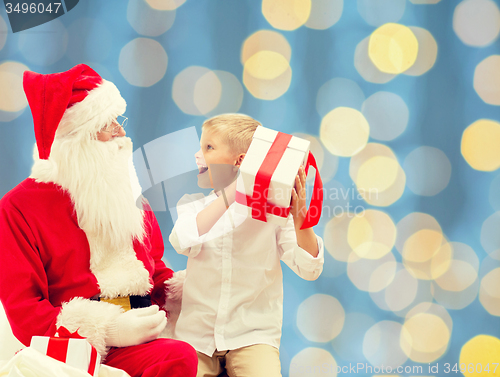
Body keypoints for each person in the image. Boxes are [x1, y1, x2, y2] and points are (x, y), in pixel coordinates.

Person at [0, 64, 197, 377]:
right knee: (178, 357)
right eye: (108, 125)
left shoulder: (127, 195)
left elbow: (154, 270)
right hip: (73, 352)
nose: (122, 133)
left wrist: (193, 288)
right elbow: (26, 313)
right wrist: (110, 329)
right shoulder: (19, 207)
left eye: (119, 122)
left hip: (145, 337)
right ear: (77, 139)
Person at [169, 114, 325, 377]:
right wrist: (237, 190)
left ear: (240, 161)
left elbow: (310, 269)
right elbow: (182, 239)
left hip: (253, 335)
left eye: (208, 147)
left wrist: (300, 219)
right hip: (196, 337)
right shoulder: (194, 205)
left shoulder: (273, 214)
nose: (197, 156)